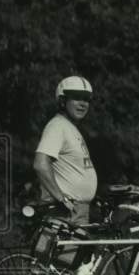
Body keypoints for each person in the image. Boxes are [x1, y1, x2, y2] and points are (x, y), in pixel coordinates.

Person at [34, 76, 98, 227]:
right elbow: (40, 164)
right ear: (62, 101)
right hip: (65, 211)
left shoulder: (69, 127)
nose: (83, 104)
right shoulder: (57, 126)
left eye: (87, 99)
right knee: (65, 251)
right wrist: (60, 198)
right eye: (76, 98)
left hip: (78, 210)